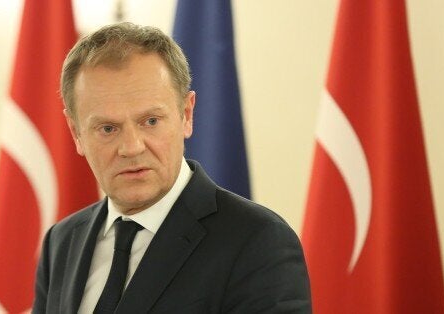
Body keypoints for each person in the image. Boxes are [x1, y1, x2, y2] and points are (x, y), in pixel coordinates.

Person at [32, 22, 311, 314]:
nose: (131, 147)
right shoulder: (61, 242)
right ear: (76, 133)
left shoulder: (258, 241)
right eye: (107, 128)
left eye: (150, 121)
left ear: (186, 115)